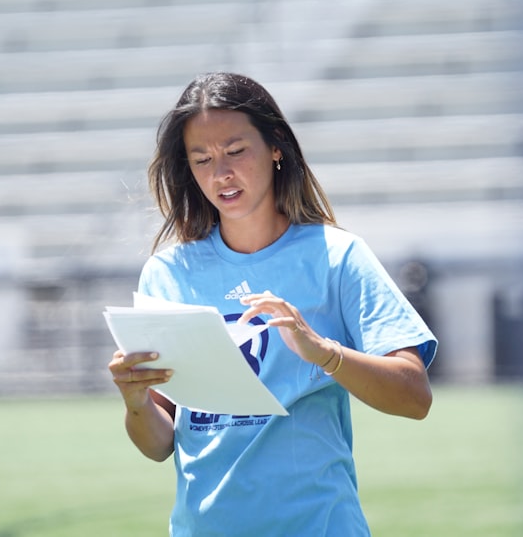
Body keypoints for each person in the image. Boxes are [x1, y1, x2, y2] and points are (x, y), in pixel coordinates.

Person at [108, 73, 438, 535]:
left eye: (236, 151)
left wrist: (324, 353)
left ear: (276, 146)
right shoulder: (166, 275)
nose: (221, 173)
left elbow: (415, 397)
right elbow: (159, 444)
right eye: (201, 159)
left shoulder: (337, 255)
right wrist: (136, 401)